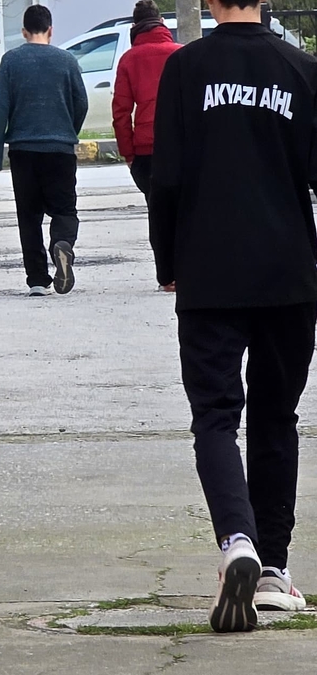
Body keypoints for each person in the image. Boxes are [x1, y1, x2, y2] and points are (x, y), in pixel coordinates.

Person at [151, 0, 317, 633]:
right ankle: (273, 569)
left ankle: (236, 543)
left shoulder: (185, 69)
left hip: (209, 270)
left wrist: (169, 261)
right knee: (278, 416)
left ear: (210, 3)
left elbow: (165, 178)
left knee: (215, 417)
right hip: (288, 274)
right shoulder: (302, 70)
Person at [0, 4, 87, 297]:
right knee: (65, 209)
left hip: (24, 150)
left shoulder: (11, 61)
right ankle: (63, 243)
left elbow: (2, 108)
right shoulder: (67, 61)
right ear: (51, 31)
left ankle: (37, 280)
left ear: (23, 32)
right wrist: (68, 130)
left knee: (28, 216)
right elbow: (81, 103)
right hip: (60, 149)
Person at [111, 0, 180, 291]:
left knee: (158, 210)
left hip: (146, 150)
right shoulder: (181, 54)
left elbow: (121, 112)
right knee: (187, 210)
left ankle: (167, 276)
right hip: (181, 145)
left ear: (134, 28)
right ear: (161, 22)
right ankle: (191, 270)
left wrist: (128, 153)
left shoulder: (129, 59)